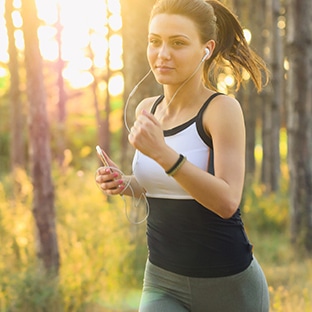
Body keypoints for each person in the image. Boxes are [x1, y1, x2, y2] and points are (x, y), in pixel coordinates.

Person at [96, 0, 270, 311]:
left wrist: (163, 154)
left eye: (178, 43)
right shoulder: (146, 109)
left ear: (207, 48)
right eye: (155, 41)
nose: (162, 54)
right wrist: (125, 183)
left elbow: (227, 201)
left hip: (228, 284)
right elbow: (160, 184)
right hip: (162, 280)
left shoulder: (220, 110)